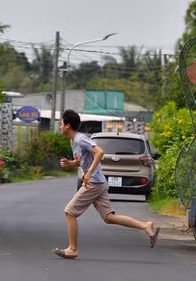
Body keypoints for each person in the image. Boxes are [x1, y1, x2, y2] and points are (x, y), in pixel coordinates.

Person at [53, 109, 159, 259]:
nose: (60, 126)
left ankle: (72, 248)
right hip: (99, 183)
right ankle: (145, 226)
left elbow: (100, 152)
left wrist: (88, 172)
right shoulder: (73, 141)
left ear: (68, 125)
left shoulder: (81, 139)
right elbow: (81, 160)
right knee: (109, 217)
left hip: (94, 183)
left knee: (70, 212)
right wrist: (70, 163)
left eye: (61, 123)